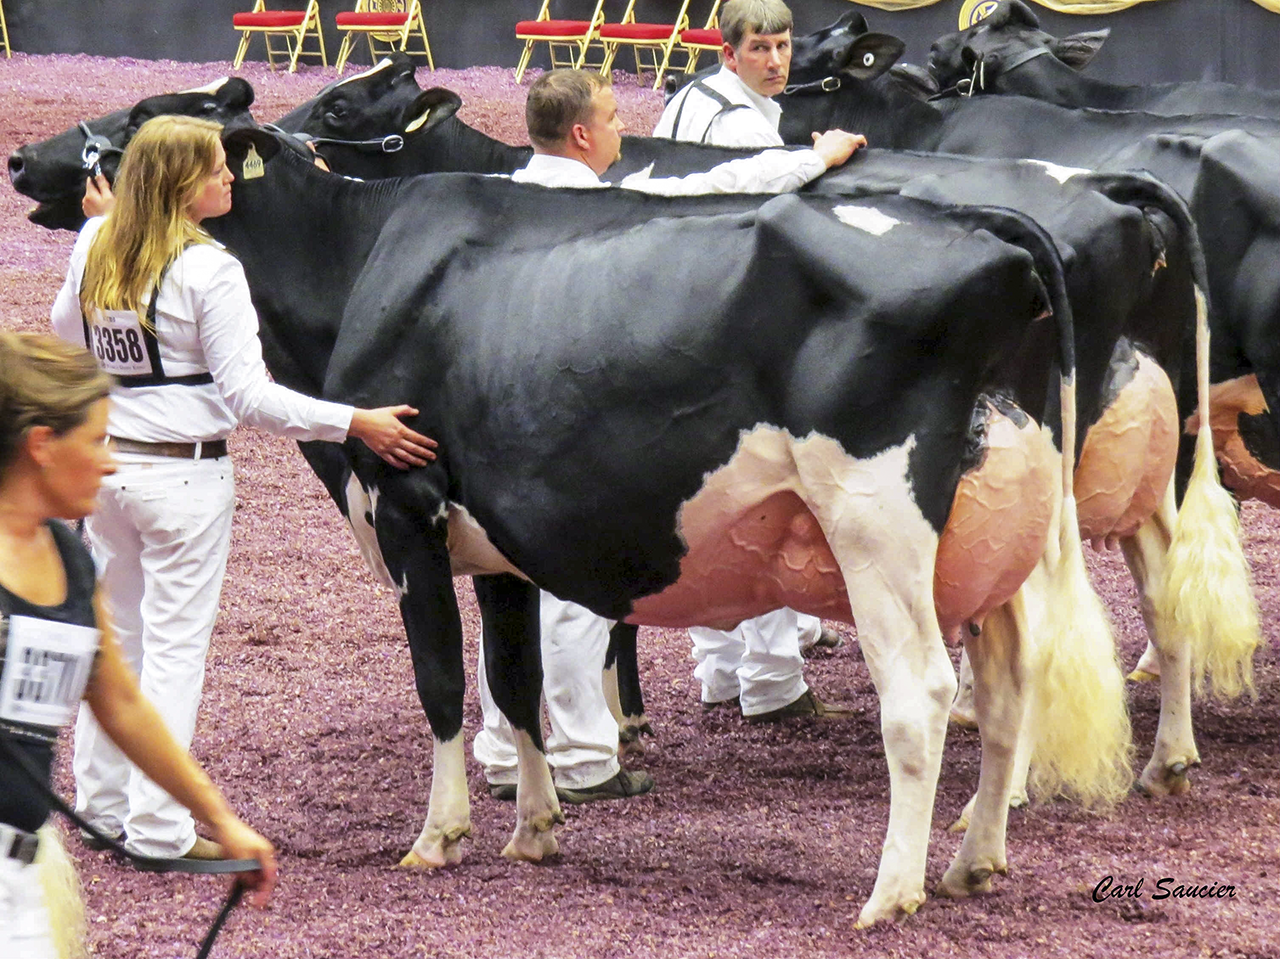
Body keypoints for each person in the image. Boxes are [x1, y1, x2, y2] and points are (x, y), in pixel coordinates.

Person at [473, 67, 866, 804]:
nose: (624, 127)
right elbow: (723, 186)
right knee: (574, 594)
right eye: (613, 116)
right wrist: (817, 158)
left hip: (489, 431)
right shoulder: (609, 207)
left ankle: (501, 751)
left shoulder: (489, 200)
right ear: (582, 134)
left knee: (504, 594)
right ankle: (584, 759)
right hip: (569, 429)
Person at [52, 115, 439, 861]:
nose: (231, 176)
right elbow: (251, 398)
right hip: (185, 475)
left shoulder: (95, 242)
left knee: (118, 643)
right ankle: (160, 829)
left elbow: (69, 340)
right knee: (173, 652)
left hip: (109, 470)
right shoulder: (211, 268)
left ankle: (103, 808)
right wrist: (355, 421)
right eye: (215, 169)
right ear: (181, 185)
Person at [0, 331, 277, 957]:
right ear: (41, 445)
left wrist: (220, 818)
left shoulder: (70, 558)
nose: (110, 462)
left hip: (18, 879)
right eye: (97, 440)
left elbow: (121, 705)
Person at [656, 0, 849, 723]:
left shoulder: (694, 98)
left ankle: (721, 670)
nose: (775, 60)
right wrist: (819, 159)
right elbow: (759, 184)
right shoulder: (736, 120)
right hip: (724, 318)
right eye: (760, 48)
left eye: (783, 45)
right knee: (765, 495)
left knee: (710, 498)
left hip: (681, 307)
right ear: (728, 53)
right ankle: (770, 679)